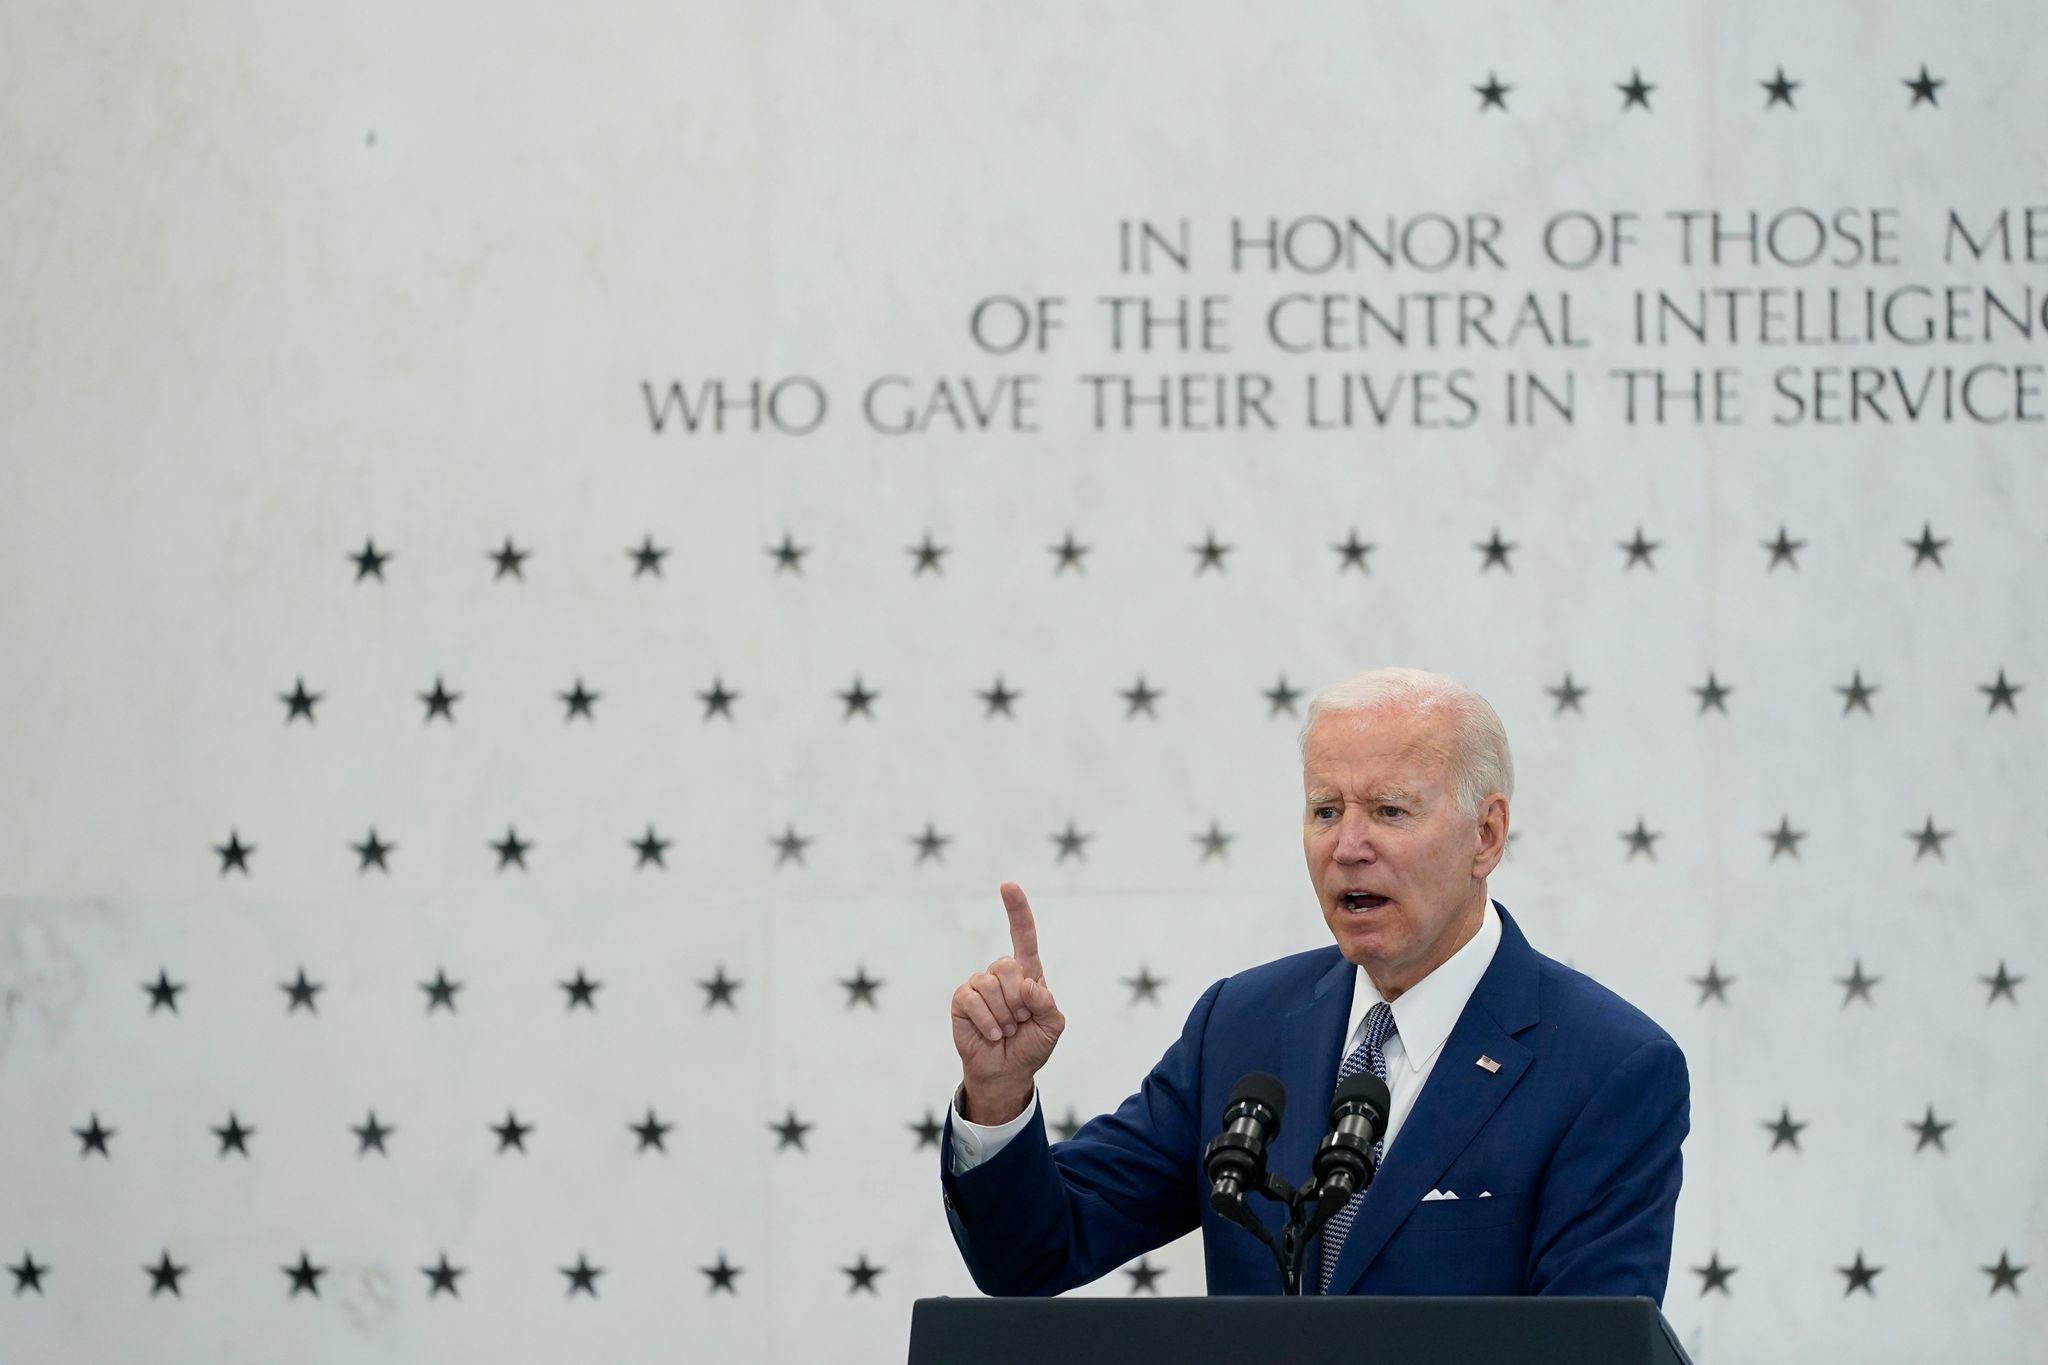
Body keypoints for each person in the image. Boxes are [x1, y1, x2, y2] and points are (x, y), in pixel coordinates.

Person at [940, 666, 1689, 1301]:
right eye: (1326, 809)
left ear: (1486, 835)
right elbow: (1034, 1251)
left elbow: (1591, 1346)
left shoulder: (1608, 1068)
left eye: (1390, 810)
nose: (1349, 846)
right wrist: (999, 1096)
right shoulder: (1241, 1025)